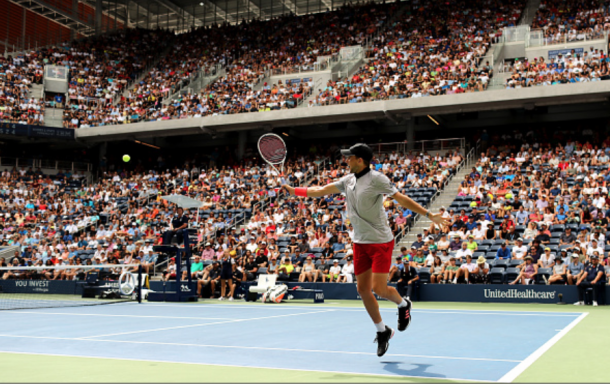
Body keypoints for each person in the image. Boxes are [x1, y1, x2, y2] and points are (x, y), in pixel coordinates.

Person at [283, 143, 449, 357]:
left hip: (380, 241)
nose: (346, 161)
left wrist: (429, 215)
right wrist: (295, 191)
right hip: (360, 242)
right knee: (362, 290)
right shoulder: (347, 180)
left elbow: (401, 198)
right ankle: (382, 331)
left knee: (379, 289)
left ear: (360, 160)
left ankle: (403, 303)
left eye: (349, 157)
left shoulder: (378, 179)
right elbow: (321, 190)